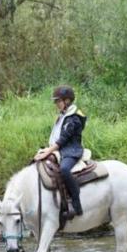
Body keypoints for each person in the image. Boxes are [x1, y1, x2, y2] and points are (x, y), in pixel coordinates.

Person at [35, 85, 86, 219]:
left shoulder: (74, 118)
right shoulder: (63, 115)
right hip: (61, 150)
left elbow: (62, 140)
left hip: (71, 151)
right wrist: (46, 150)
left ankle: (76, 204)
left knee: (64, 169)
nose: (56, 104)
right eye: (56, 101)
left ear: (67, 101)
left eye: (58, 101)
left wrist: (47, 152)